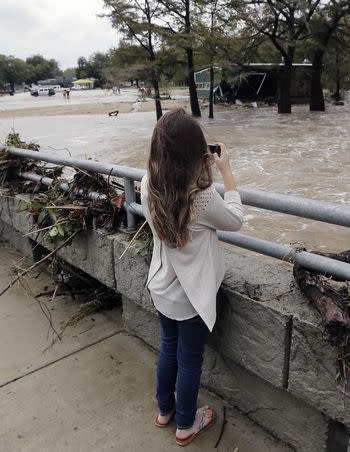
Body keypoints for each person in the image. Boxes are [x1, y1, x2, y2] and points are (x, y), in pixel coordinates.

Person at [140, 108, 243, 446]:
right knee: (189, 361)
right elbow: (235, 220)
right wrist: (225, 170)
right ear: (195, 152)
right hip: (191, 296)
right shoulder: (199, 197)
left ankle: (164, 411)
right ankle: (186, 424)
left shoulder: (147, 184)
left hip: (162, 287)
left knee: (168, 348)